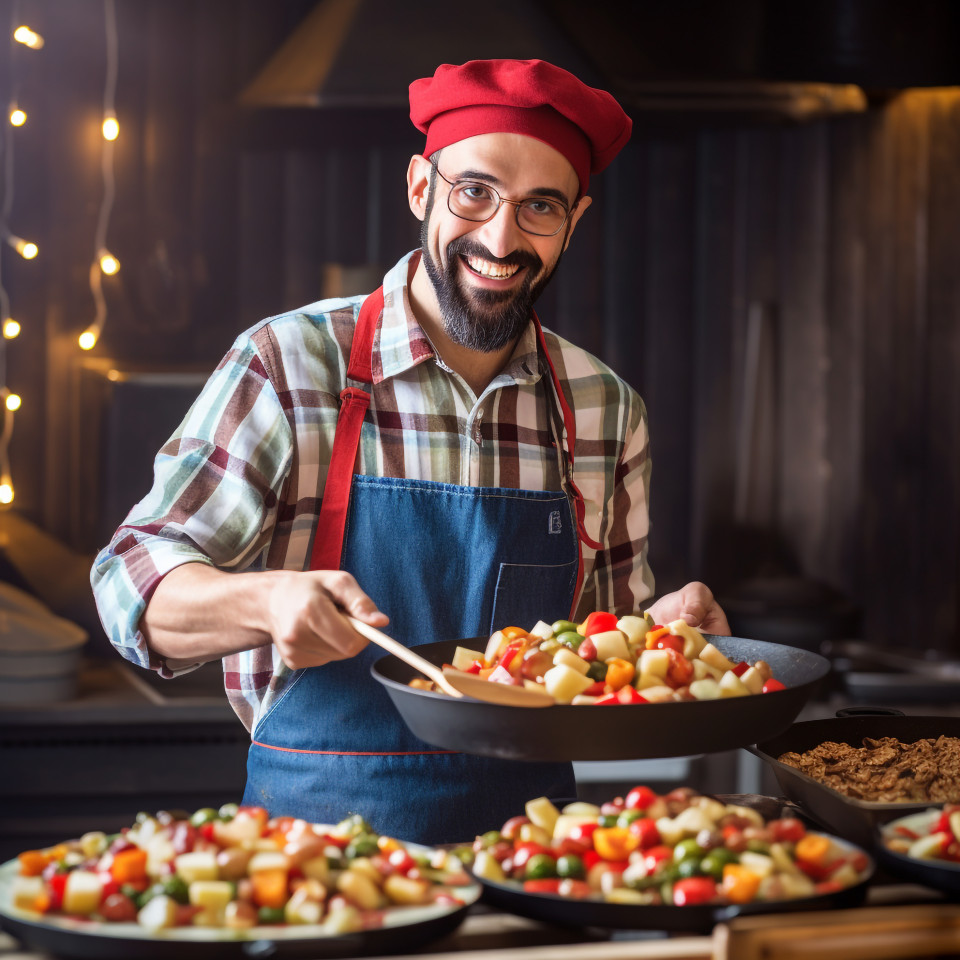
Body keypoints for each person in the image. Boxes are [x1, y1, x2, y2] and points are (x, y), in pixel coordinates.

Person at [91, 59, 729, 844]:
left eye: (539, 207)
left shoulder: (604, 408)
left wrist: (663, 635)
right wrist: (264, 603)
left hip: (529, 859)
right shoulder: (289, 364)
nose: (502, 236)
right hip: (316, 860)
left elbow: (602, 650)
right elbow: (131, 578)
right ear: (421, 188)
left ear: (575, 222)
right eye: (475, 192)